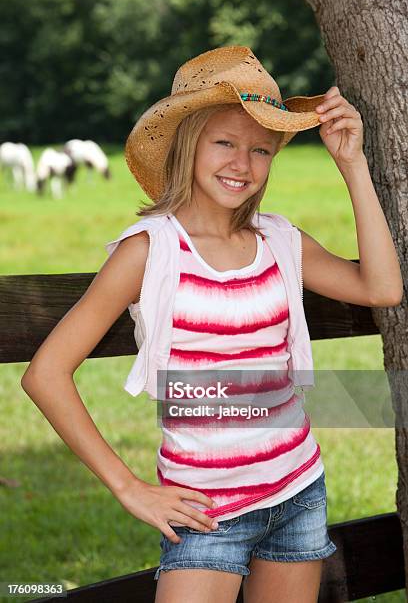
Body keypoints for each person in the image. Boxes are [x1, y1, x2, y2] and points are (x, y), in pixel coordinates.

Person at [21, 46, 403, 603]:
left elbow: (383, 289)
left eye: (261, 150)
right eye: (224, 142)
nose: (242, 165)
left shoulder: (279, 239)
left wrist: (353, 164)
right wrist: (130, 489)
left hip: (297, 491)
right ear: (187, 145)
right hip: (206, 511)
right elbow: (46, 374)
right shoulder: (151, 250)